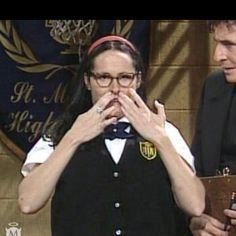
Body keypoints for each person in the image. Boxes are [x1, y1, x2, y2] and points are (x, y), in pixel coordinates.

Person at [18, 35, 205, 236]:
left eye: (125, 77)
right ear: (88, 81)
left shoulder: (164, 131)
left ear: (138, 79)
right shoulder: (63, 132)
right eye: (104, 78)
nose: (115, 89)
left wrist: (160, 139)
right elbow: (28, 203)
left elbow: (195, 205)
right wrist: (73, 138)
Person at [190, 21, 236, 236]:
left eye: (229, 44)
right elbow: (196, 169)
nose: (218, 55)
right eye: (217, 43)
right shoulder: (213, 86)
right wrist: (196, 218)